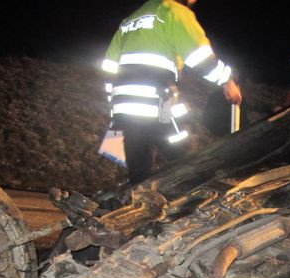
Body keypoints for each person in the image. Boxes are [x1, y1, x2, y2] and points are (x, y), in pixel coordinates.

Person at [101, 0, 243, 184]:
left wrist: (114, 103)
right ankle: (197, 194)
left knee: (139, 167)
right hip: (157, 100)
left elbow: (109, 66)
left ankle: (139, 197)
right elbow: (199, 57)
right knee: (184, 156)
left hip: (124, 106)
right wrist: (226, 80)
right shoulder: (173, 11)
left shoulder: (131, 20)